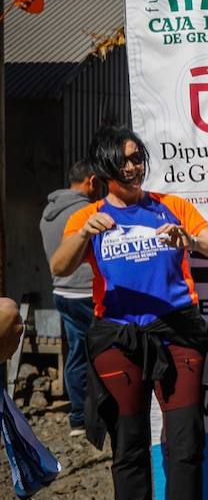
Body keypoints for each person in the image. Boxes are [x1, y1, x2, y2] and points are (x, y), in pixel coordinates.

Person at [49, 126, 208, 500]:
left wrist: (189, 241)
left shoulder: (170, 207)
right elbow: (59, 267)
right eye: (124, 160)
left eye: (138, 158)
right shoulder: (88, 217)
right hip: (118, 339)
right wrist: (82, 236)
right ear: (103, 170)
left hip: (176, 330)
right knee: (128, 445)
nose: (134, 167)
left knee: (184, 438)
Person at [39, 159, 104, 435]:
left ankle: (78, 416)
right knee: (102, 354)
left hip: (60, 291)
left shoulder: (48, 212)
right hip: (85, 291)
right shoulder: (85, 212)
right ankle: (100, 415)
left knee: (76, 354)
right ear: (90, 181)